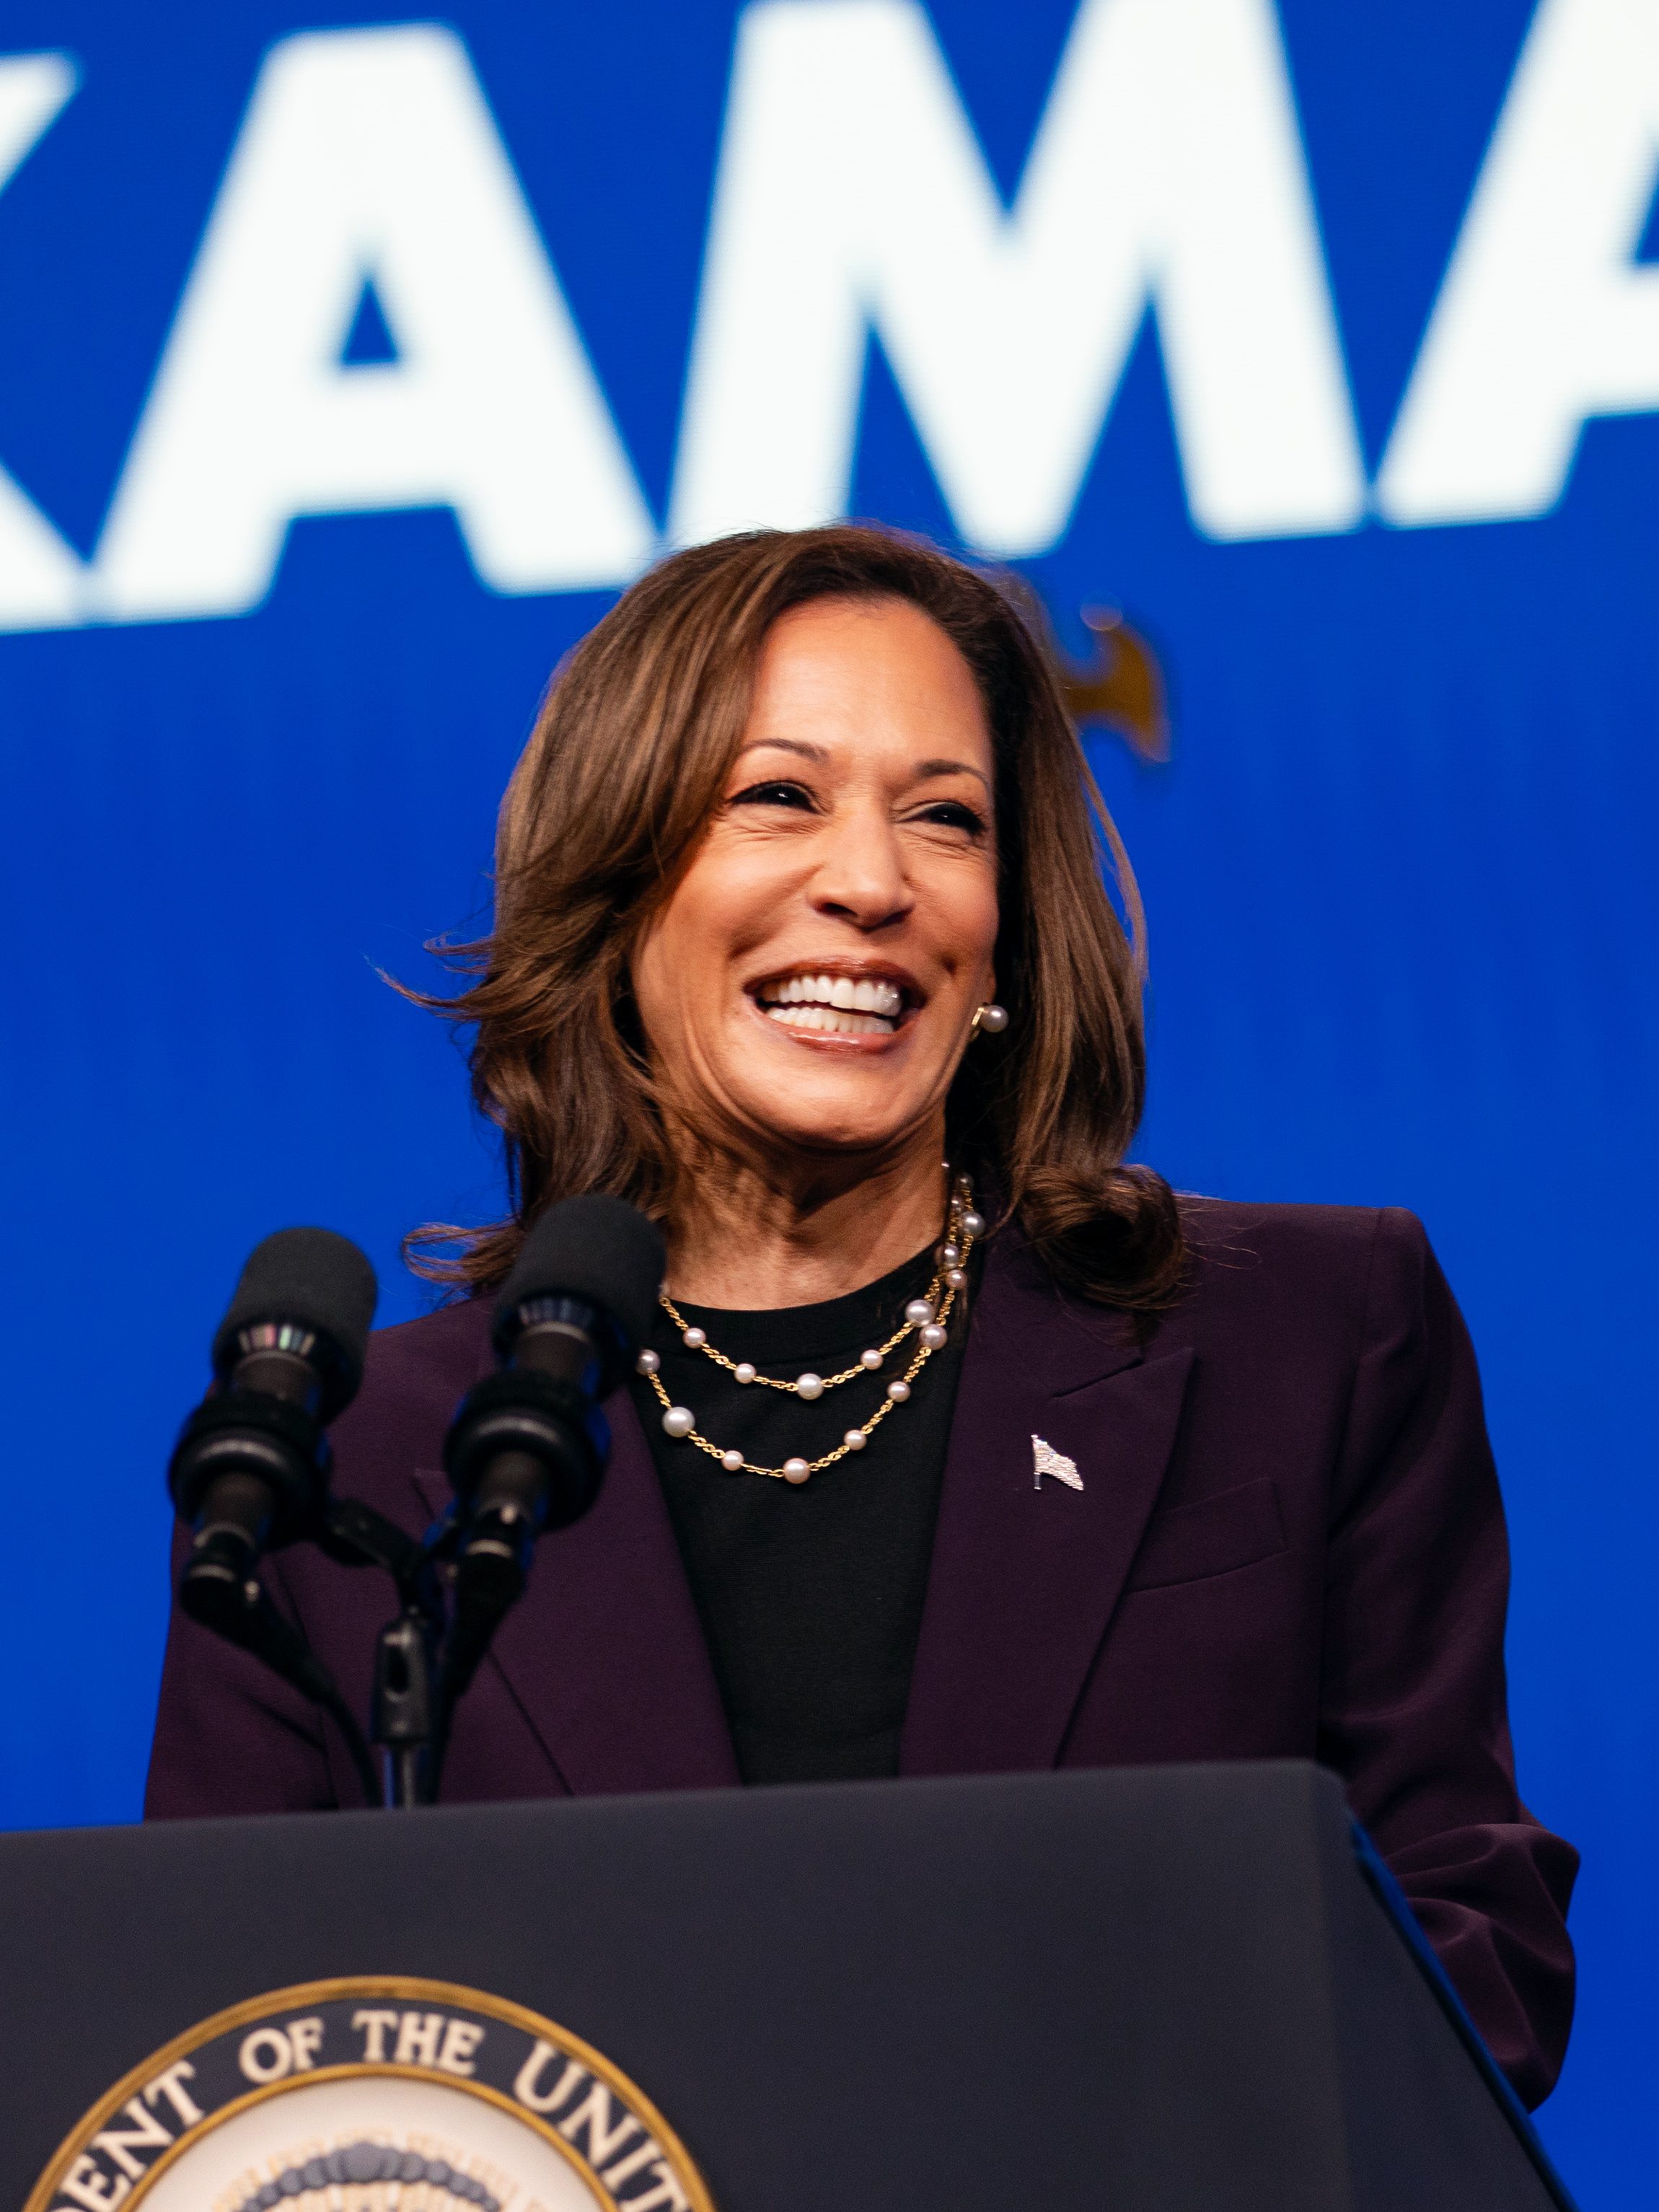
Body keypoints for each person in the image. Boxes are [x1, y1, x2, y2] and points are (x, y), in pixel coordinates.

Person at [146, 524, 1576, 2106]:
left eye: (945, 820)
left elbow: (1467, 1945)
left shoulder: (1308, 1337)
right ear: (620, 893)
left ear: (1006, 940)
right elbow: (227, 2067)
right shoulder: (360, 1470)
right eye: (778, 796)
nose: (873, 884)